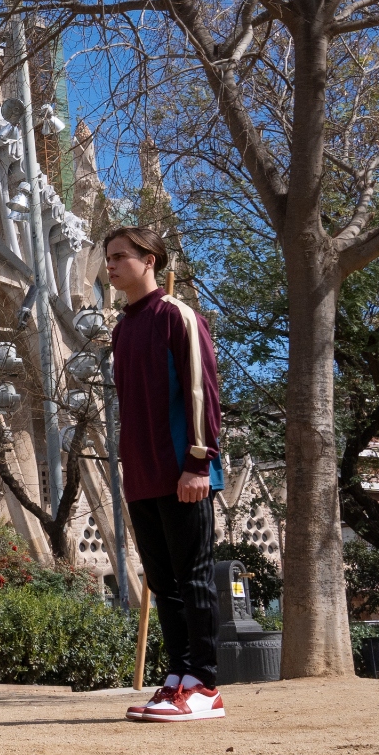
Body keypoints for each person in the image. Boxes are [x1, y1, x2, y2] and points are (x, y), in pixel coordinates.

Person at [104, 227, 226, 724]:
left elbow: (203, 391)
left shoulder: (178, 315)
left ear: (149, 260)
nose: (109, 265)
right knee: (162, 581)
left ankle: (205, 684)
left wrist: (199, 462)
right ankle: (177, 677)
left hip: (184, 471)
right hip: (142, 475)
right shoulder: (121, 327)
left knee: (194, 577)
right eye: (107, 257)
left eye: (119, 256)